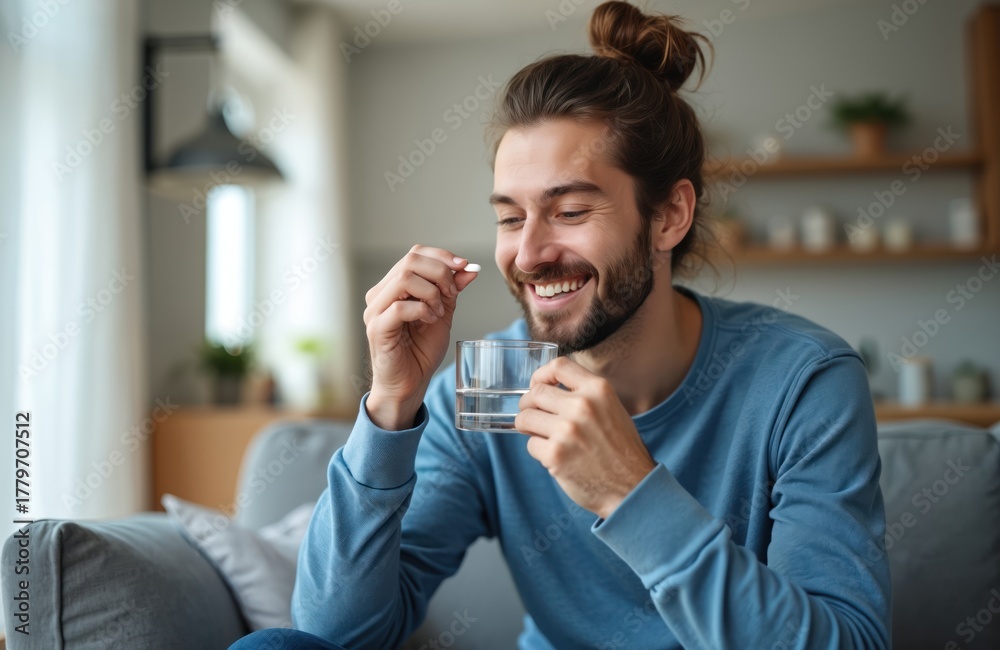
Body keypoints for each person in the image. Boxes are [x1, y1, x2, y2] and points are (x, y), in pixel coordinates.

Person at [231, 2, 890, 648]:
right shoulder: (494, 385)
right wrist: (390, 406)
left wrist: (633, 495)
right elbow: (335, 635)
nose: (527, 254)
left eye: (570, 210)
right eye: (511, 217)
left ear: (668, 216)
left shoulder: (801, 381)